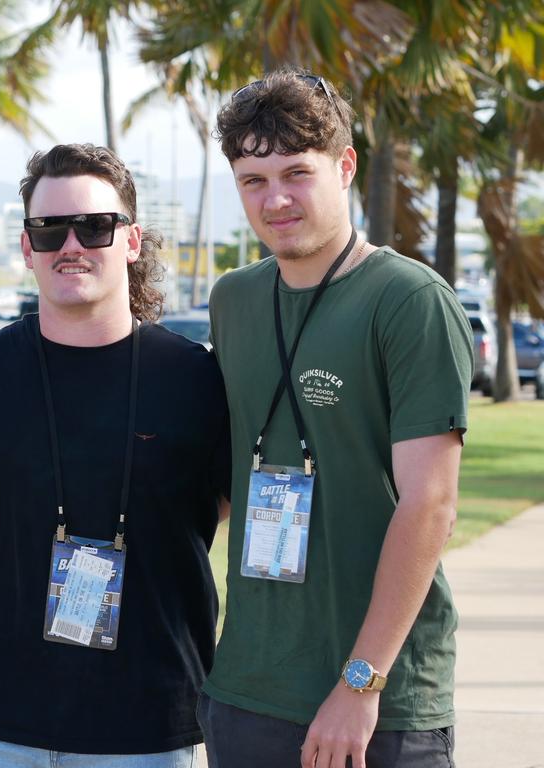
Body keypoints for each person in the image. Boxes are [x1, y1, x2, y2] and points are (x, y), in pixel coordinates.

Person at [199, 67, 474, 768]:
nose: (276, 198)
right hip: (248, 692)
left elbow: (431, 503)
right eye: (252, 180)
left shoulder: (408, 300)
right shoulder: (233, 300)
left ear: (346, 166)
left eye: (297, 172)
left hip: (377, 704)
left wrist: (361, 683)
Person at [0, 143, 231, 767]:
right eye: (49, 229)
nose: (72, 244)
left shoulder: (198, 380)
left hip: (151, 730)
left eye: (94, 226)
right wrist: (12, 574)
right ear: (26, 248)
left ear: (132, 241)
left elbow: (219, 508)